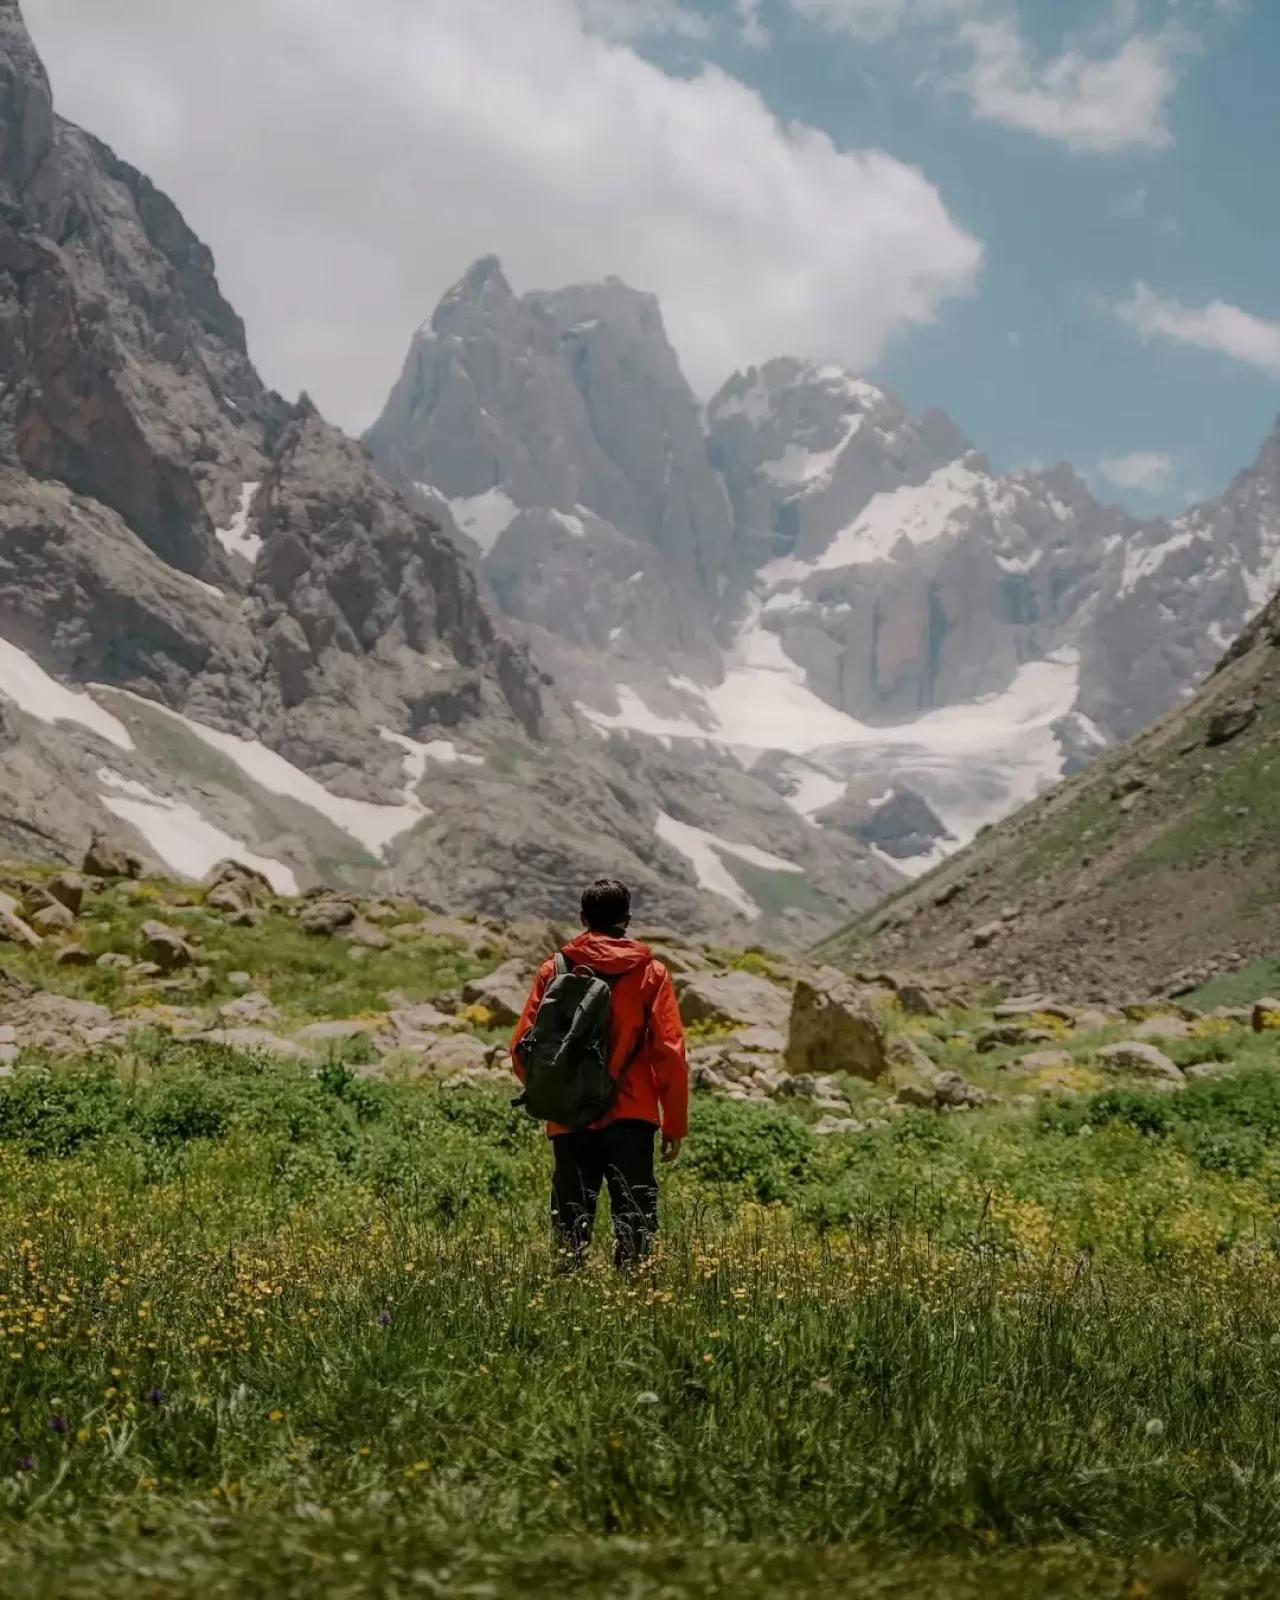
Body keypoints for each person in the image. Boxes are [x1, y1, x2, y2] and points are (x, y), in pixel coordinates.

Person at [510, 878, 689, 1268]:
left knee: (569, 1230)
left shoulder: (554, 969)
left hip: (570, 1120)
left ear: (582, 918)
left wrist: (561, 1092)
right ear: (627, 918)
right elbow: (670, 1053)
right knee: (635, 1226)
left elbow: (521, 1049)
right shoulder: (651, 973)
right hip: (633, 1118)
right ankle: (634, 1303)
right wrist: (674, 1122)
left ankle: (566, 1302)